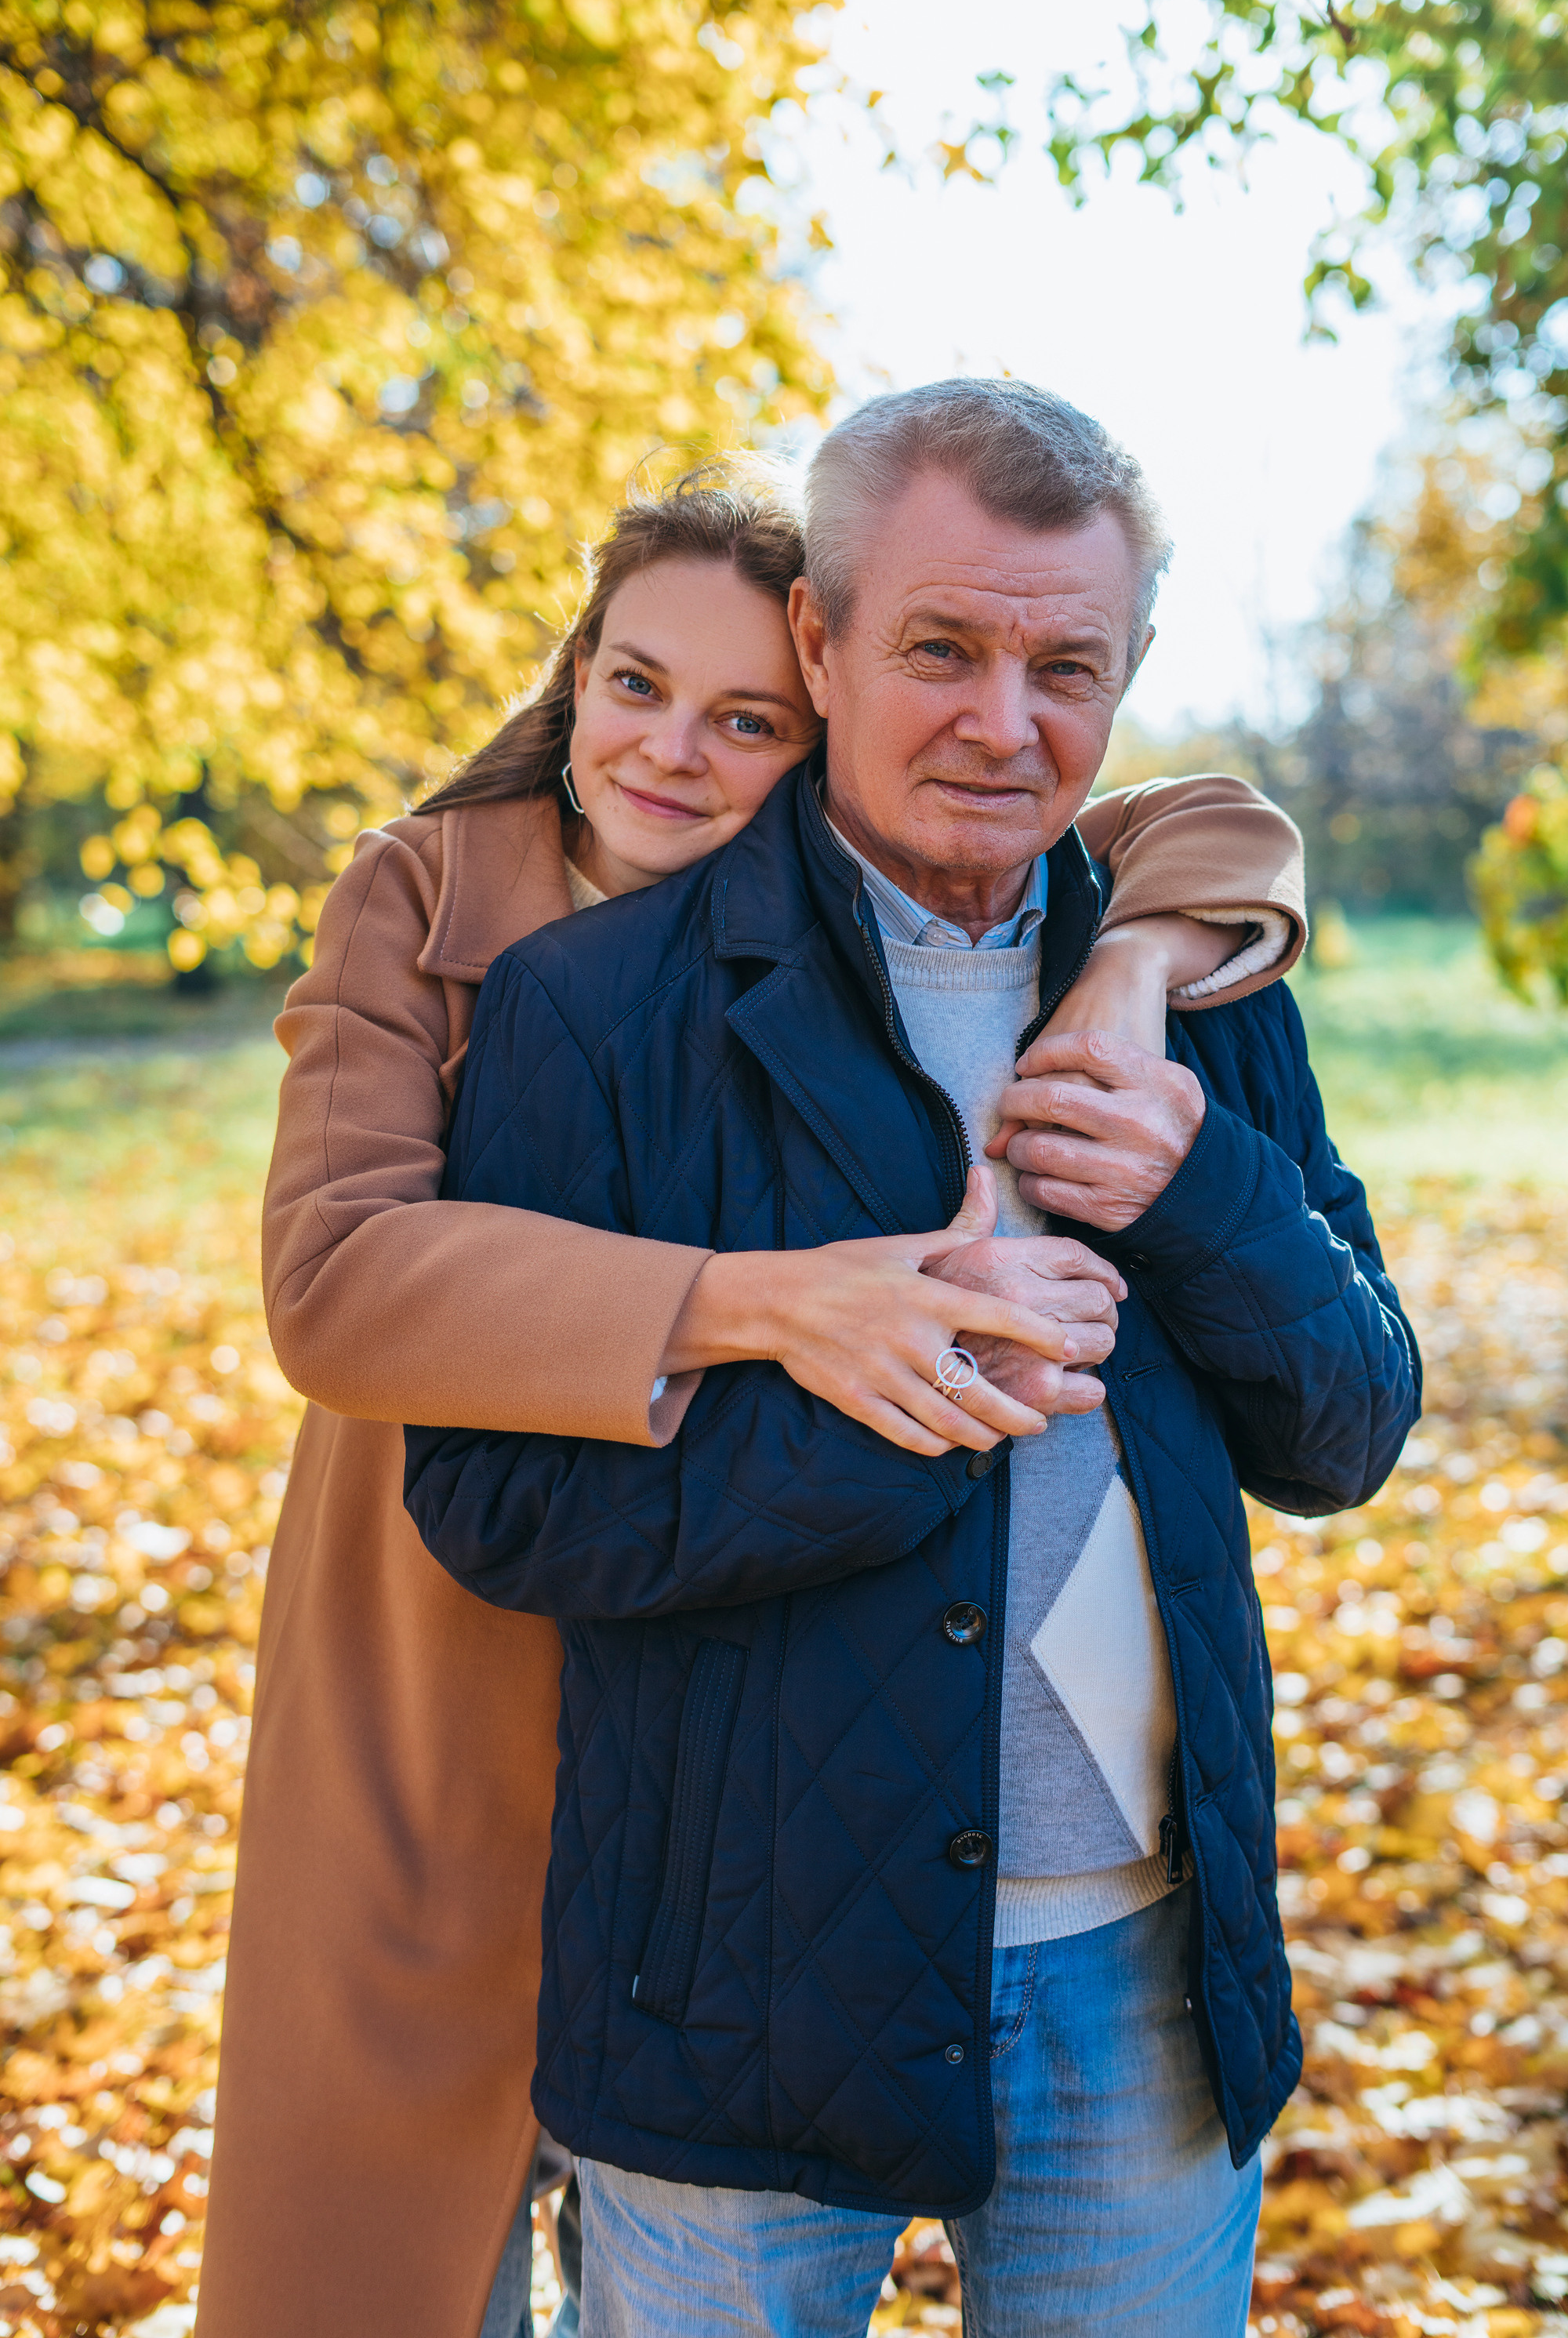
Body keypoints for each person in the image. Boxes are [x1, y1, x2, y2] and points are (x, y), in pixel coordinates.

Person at [198, 451, 1308, 2338]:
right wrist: (760, 1303)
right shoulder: (433, 895)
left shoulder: (857, 898)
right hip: (466, 1628)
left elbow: (1211, 819)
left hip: (764, 1692)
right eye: (634, 685)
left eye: (745, 720)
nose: (670, 751)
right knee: (399, 2217)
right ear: (574, 676)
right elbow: (333, 1281)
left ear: (818, 715)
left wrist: (1132, 962)